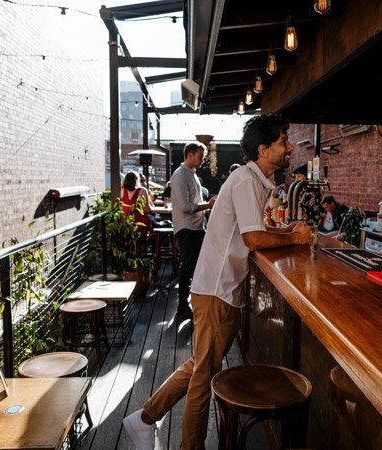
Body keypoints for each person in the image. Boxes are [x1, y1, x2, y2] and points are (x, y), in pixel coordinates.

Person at [122, 113, 312, 450]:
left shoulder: (253, 181)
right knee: (202, 378)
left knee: (199, 365)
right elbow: (253, 239)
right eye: (284, 141)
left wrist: (286, 231)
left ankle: (145, 418)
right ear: (263, 149)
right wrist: (295, 240)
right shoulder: (246, 181)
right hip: (217, 294)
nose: (290, 146)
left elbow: (255, 230)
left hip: (220, 293)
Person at [170, 142, 217, 317]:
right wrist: (209, 205)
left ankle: (194, 300)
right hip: (186, 228)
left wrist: (207, 206)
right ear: (189, 155)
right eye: (200, 156)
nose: (202, 160)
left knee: (199, 265)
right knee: (188, 266)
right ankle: (182, 304)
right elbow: (184, 207)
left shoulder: (192, 175)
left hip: (197, 227)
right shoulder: (180, 176)